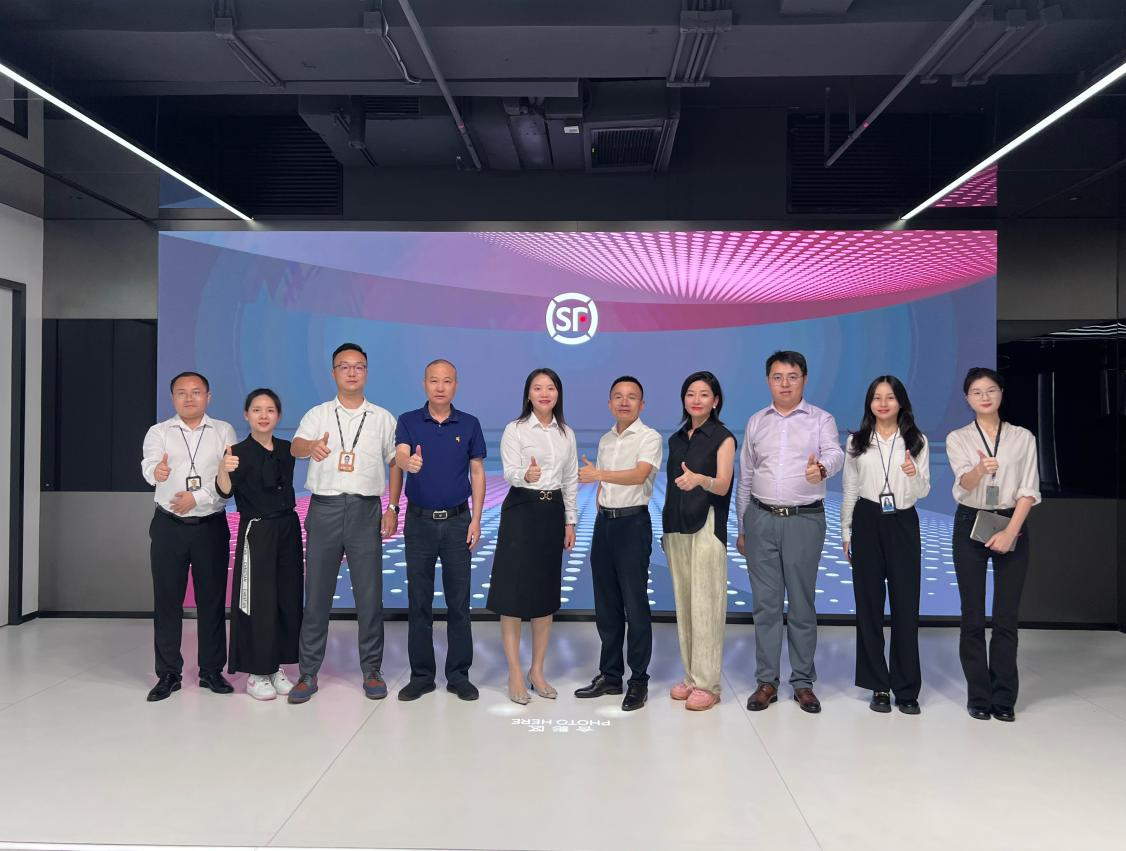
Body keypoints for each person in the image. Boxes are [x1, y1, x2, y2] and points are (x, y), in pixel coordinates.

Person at [287, 343, 402, 704]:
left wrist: (392, 507)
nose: (352, 372)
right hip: (325, 508)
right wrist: (310, 448)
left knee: (369, 596)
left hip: (367, 510)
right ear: (333, 372)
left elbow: (394, 463)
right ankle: (308, 672)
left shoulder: (382, 418)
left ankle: (372, 670)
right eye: (344, 366)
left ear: (366, 372)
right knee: (316, 595)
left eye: (358, 366)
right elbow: (295, 447)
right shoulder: (318, 414)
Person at [736, 351, 844, 714]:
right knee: (765, 604)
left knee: (801, 603)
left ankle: (803, 682)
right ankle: (766, 681)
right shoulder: (756, 421)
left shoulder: (821, 419)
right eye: (777, 377)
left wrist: (822, 469)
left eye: (792, 376)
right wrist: (743, 526)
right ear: (768, 381)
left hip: (804, 520)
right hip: (760, 519)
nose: (785, 383)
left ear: (804, 380)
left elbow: (835, 453)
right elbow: (746, 477)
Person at [946, 367, 1040, 722]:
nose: (984, 397)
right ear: (967, 398)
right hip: (970, 521)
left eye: (990, 390)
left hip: (1012, 520)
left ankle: (1004, 697)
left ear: (1001, 393)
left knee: (1005, 616)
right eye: (976, 392)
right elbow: (963, 483)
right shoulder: (958, 438)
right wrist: (980, 470)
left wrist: (1012, 531)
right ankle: (979, 695)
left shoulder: (1022, 437)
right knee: (972, 615)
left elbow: (1029, 489)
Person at [140, 371, 237, 702]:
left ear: (208, 397)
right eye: (181, 392)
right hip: (168, 526)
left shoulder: (223, 430)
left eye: (196, 392)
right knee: (167, 601)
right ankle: (168, 673)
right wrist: (157, 471)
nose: (189, 398)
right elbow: (149, 465)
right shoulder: (159, 432)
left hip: (210, 524)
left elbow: (226, 476)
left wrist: (196, 498)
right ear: (172, 398)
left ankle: (211, 670)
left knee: (212, 600)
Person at [394, 359, 487, 702]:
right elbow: (400, 455)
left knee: (459, 603)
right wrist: (408, 462)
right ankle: (421, 676)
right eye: (434, 380)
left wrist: (476, 519)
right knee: (419, 602)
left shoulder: (470, 423)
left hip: (458, 521)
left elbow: (477, 472)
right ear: (425, 384)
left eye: (447, 381)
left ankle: (459, 675)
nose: (440, 387)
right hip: (419, 523)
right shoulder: (408, 421)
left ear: (455, 385)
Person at [487, 368, 578, 704]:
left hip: (552, 512)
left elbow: (570, 479)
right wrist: (527, 474)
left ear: (558, 394)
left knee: (544, 593)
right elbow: (510, 471)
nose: (544, 393)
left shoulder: (566, 433)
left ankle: (536, 670)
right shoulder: (515, 429)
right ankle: (514, 671)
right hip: (521, 511)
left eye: (550, 388)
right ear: (528, 394)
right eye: (537, 388)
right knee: (512, 593)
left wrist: (569, 522)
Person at [840, 376, 930, 715]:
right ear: (870, 403)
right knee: (869, 604)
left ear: (901, 402)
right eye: (876, 397)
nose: (882, 403)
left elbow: (924, 491)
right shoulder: (857, 441)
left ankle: (906, 688)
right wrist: (846, 532)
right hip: (866, 519)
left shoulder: (916, 440)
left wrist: (912, 472)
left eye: (889, 397)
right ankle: (878, 684)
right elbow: (850, 487)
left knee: (906, 605)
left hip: (903, 521)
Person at [574, 376, 663, 711]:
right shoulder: (606, 439)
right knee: (606, 604)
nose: (624, 402)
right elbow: (606, 482)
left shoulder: (650, 437)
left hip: (632, 524)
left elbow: (639, 475)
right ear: (610, 403)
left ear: (642, 404)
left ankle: (638, 680)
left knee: (635, 604)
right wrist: (601, 493)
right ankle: (610, 675)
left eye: (632, 397)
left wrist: (599, 476)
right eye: (618, 397)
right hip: (605, 524)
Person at [215, 388, 303, 700]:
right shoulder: (237, 452)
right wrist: (222, 469)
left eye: (269, 410)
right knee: (256, 600)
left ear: (278, 415)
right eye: (256, 410)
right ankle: (256, 671)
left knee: (286, 597)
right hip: (258, 531)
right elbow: (224, 492)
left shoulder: (287, 449)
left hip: (288, 528)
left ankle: (275, 666)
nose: (263, 416)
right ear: (246, 415)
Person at [661, 371, 736, 711]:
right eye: (690, 393)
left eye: (704, 394)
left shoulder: (723, 438)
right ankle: (691, 677)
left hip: (707, 525)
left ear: (715, 401)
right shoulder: (676, 439)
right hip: (676, 527)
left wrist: (701, 480)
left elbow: (722, 485)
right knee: (685, 604)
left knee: (707, 605)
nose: (696, 399)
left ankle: (708, 684)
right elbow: (670, 487)